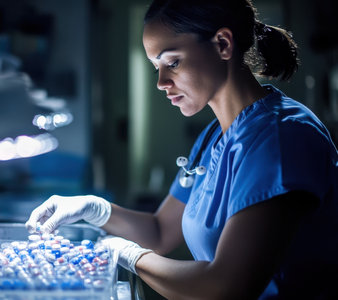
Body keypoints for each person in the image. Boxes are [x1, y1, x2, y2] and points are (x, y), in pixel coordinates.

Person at [26, 0, 338, 298]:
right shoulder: (213, 136)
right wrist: (94, 209)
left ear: (223, 44)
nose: (161, 82)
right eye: (156, 67)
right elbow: (161, 232)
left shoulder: (282, 139)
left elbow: (226, 288)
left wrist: (130, 255)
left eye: (172, 62)